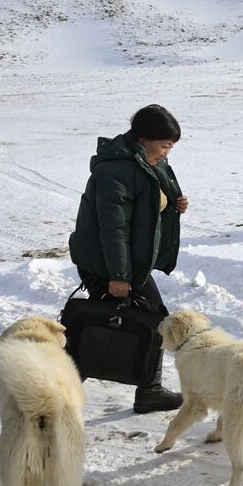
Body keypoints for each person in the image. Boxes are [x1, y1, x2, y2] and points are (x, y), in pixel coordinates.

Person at [68, 104, 189, 413]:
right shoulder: (116, 170)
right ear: (144, 138)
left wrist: (173, 205)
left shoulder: (145, 162)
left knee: (114, 322)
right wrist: (119, 275)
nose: (167, 153)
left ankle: (147, 390)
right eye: (165, 145)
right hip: (107, 263)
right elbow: (114, 227)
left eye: (171, 147)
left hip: (127, 262)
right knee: (105, 323)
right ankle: (56, 393)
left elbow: (147, 204)